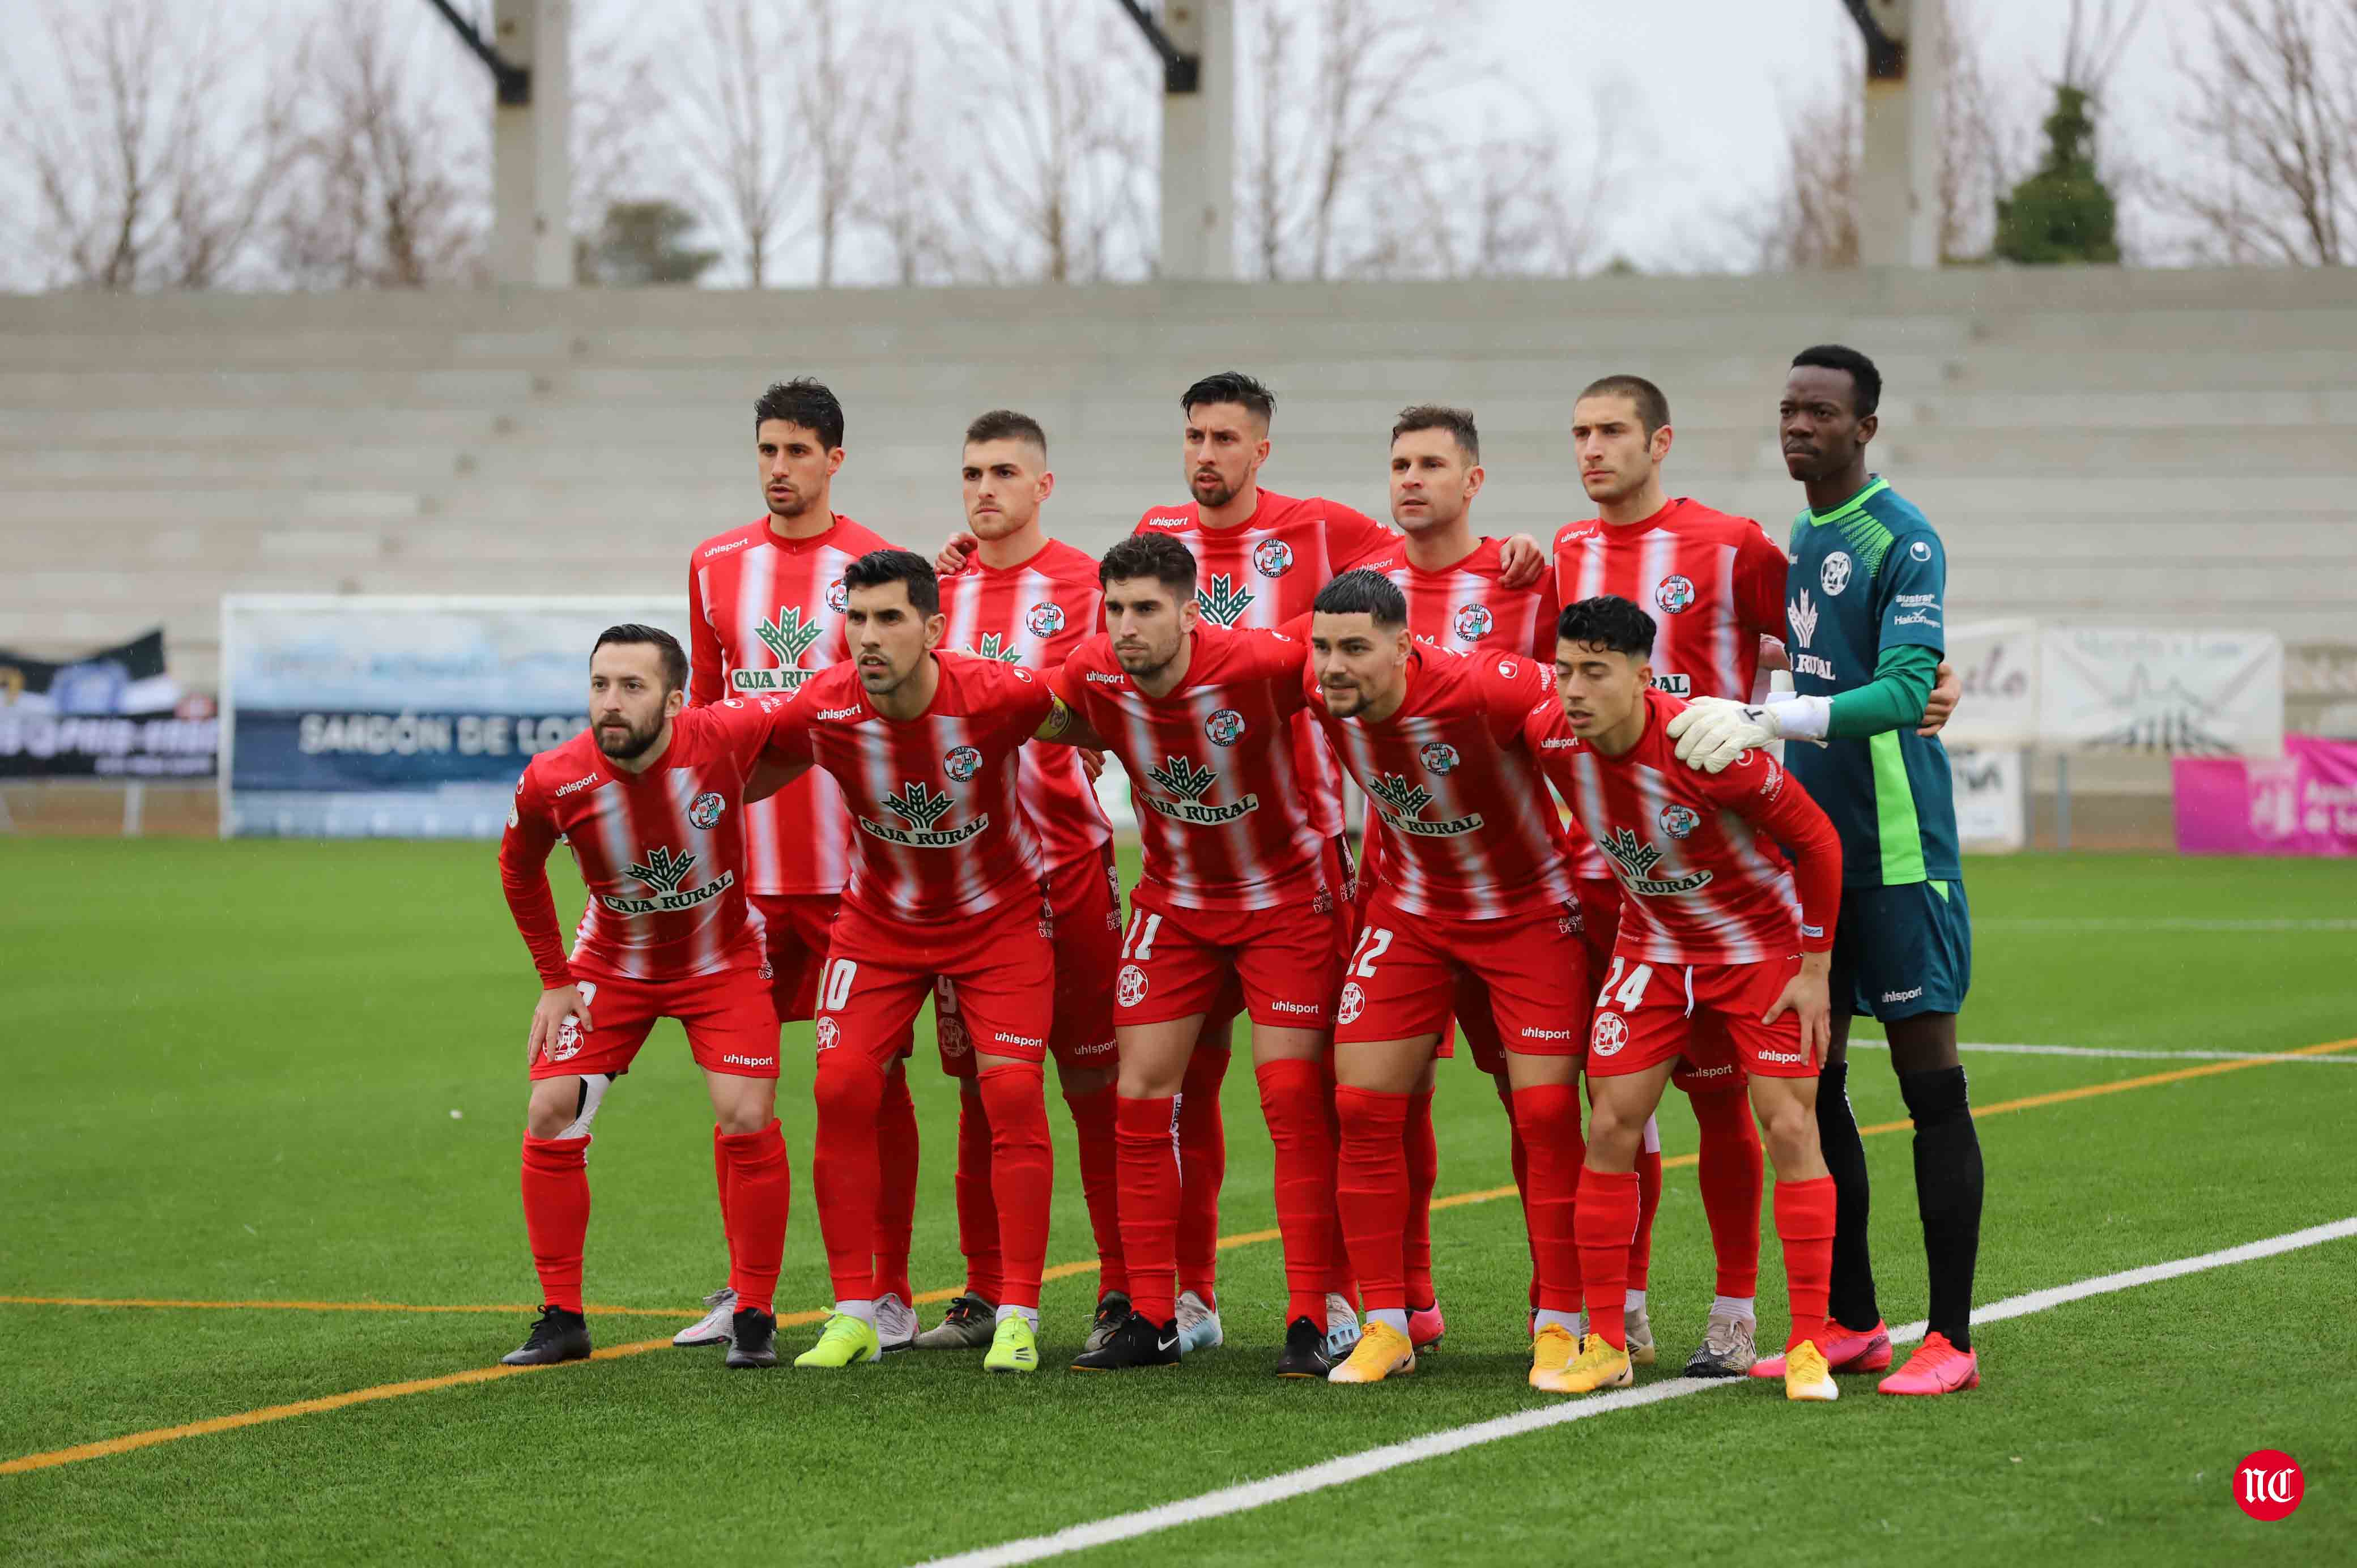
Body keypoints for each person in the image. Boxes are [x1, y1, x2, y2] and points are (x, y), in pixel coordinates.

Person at [1669, 343, 1982, 1397]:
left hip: (1897, 852)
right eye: (1789, 409)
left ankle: (1955, 1337)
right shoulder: (1801, 535)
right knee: (1820, 1081)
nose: (1799, 425)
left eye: (1821, 413)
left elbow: (1904, 690)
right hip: (1815, 852)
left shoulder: (1907, 538)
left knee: (1930, 1084)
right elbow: (1815, 664)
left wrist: (1772, 720)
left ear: (1865, 429)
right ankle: (1855, 1319)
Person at [1039, 532, 1353, 1377]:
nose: (1127, 627)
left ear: (1189, 610)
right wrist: (1081, 733)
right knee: (1138, 1099)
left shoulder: (1261, 662)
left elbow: (1361, 678)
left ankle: (1314, 1313)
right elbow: (1051, 706)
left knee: (1292, 1098)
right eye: (1116, 609)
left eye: (1146, 609)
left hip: (1285, 899)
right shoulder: (1094, 668)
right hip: (1174, 903)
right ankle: (1154, 1316)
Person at [1533, 595, 1846, 1403]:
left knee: (1787, 1124)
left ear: (1644, 677)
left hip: (1755, 952)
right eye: (1565, 670)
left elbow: (1816, 842)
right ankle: (1607, 1340)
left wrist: (1813, 971)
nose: (1573, 689)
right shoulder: (1549, 735)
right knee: (1608, 1123)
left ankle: (1807, 1343)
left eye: (1595, 672)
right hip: (1654, 948)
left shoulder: (1706, 749)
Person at [1547, 373, 1798, 1376]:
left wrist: (1925, 673)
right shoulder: (1563, 550)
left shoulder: (1732, 545)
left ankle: (1735, 1307)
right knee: (1617, 1101)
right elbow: (1550, 682)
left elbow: (1821, 649)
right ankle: (1630, 1304)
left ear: (1661, 443)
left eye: (1612, 431)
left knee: (1720, 1100)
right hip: (1610, 874)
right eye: (1580, 433)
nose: (1593, 448)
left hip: (1722, 882)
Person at [759, 549, 1063, 1375]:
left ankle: (1018, 1314)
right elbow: (756, 760)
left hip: (996, 922)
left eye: (889, 619)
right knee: (841, 1087)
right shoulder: (824, 704)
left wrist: (1102, 747)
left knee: (1009, 1091)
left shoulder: (998, 696)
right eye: (856, 619)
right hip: (878, 926)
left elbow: (1085, 716)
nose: (868, 638)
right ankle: (857, 1310)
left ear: (932, 629)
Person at [674, 378, 922, 1353]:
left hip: (857, 874)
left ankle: (890, 1293)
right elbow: (703, 715)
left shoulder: (874, 568)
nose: (780, 469)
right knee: (740, 1089)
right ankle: (748, 1293)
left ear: (834, 459)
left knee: (869, 1086)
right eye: (768, 451)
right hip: (744, 878)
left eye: (798, 453)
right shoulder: (713, 563)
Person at [1301, 569, 1593, 1388]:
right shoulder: (1316, 684)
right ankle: (1387, 1324)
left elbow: (1594, 705)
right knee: (1360, 1105)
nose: (1333, 666)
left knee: (1542, 1111)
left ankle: (1560, 1320)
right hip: (1415, 914)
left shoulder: (1485, 687)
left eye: (1355, 648)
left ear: (1405, 645)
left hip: (1529, 912)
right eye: (1323, 647)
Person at [494, 625, 795, 1370]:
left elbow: (823, 720)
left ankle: (754, 1312)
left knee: (746, 1113)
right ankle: (562, 1316)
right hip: (611, 966)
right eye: (600, 686)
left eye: (632, 687)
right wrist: (555, 981)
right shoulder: (553, 779)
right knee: (549, 1109)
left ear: (677, 698)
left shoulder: (726, 732)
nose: (611, 704)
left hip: (720, 961)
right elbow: (518, 868)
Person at [913, 411, 1130, 1356]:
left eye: (1005, 472)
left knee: (1092, 1081)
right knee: (982, 1089)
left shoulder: (1091, 585)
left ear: (1045, 485)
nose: (985, 489)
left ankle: (1123, 1289)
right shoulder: (938, 592)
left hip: (1069, 864)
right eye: (972, 473)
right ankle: (985, 1292)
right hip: (970, 885)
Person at [1351, 404, 1566, 1354]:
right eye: (1399, 463)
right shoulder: (1363, 588)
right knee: (1389, 1100)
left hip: (1519, 886)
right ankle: (1406, 1301)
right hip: (1401, 880)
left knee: (1542, 1104)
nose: (1411, 480)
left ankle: (1573, 1301)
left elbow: (1592, 686)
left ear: (1473, 481)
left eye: (1432, 464)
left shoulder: (1523, 581)